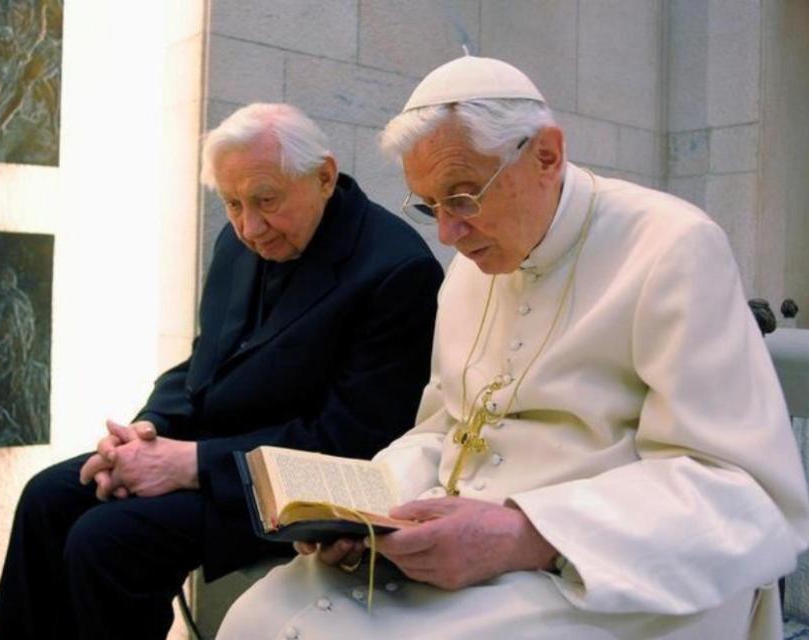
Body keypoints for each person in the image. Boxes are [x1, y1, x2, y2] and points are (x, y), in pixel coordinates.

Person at [217, 57, 809, 640]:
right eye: (430, 206)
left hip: (603, 570)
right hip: (450, 544)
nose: (447, 232)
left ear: (545, 155)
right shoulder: (471, 270)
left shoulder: (673, 248)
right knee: (253, 618)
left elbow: (741, 491)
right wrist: (360, 508)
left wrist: (526, 534)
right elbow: (442, 429)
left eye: (464, 197)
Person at [0, 103, 444, 639]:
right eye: (232, 204)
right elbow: (204, 361)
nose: (250, 227)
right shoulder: (242, 237)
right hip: (207, 449)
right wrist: (145, 432)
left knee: (106, 539)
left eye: (265, 200)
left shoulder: (398, 269)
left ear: (323, 176)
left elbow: (354, 440)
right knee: (46, 497)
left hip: (287, 488)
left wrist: (191, 465)